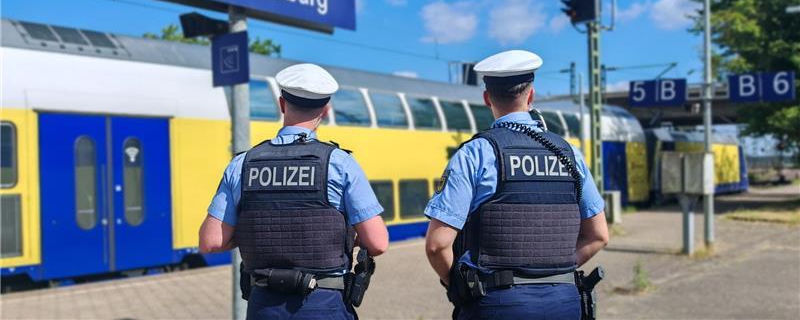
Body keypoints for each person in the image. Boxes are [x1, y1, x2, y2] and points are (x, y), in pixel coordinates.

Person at [424, 50, 609, 320]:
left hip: (496, 304)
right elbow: (598, 235)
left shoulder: (476, 153)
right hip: (564, 303)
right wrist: (555, 272)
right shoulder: (569, 153)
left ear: (487, 98)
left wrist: (459, 285)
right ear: (531, 96)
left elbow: (437, 244)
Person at [199, 63, 389, 320]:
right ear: (326, 110)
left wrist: (254, 231)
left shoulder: (242, 164)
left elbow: (211, 242)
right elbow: (377, 243)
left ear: (281, 104)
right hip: (324, 302)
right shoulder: (339, 163)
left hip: (264, 306)